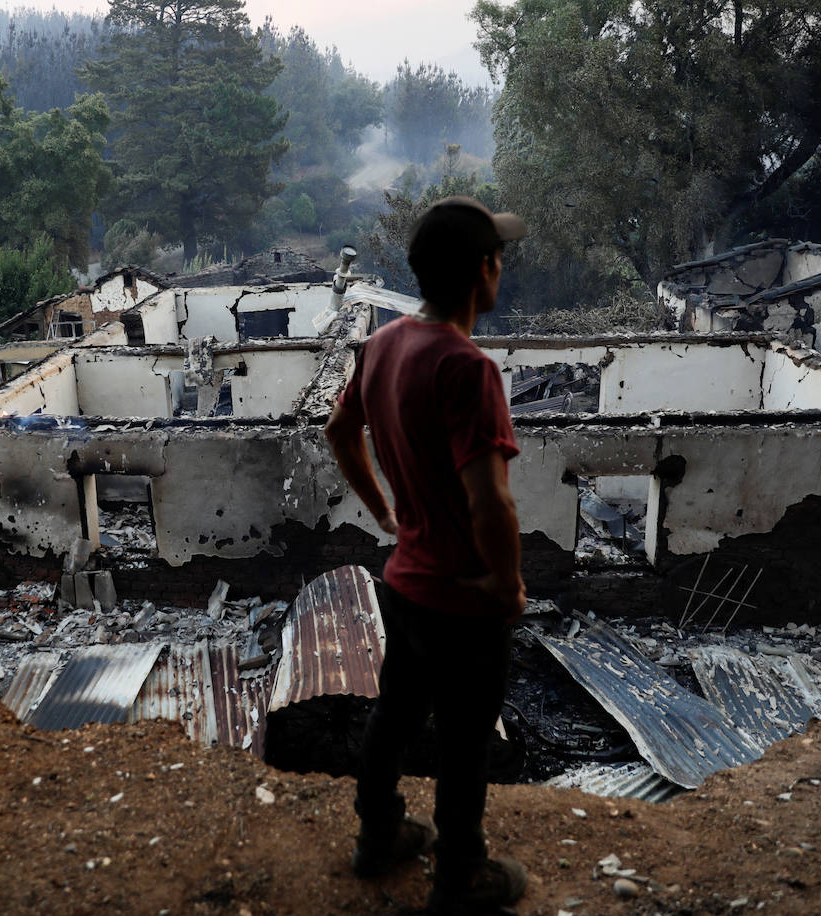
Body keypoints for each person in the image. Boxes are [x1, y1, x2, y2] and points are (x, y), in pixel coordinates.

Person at [325, 197, 528, 914]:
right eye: (497, 256)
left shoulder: (383, 345)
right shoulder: (468, 369)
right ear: (482, 271)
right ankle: (460, 877)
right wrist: (506, 585)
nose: (501, 265)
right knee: (465, 744)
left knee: (397, 714)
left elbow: (339, 429)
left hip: (404, 586)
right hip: (460, 600)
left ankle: (378, 834)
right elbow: (490, 502)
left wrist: (380, 508)